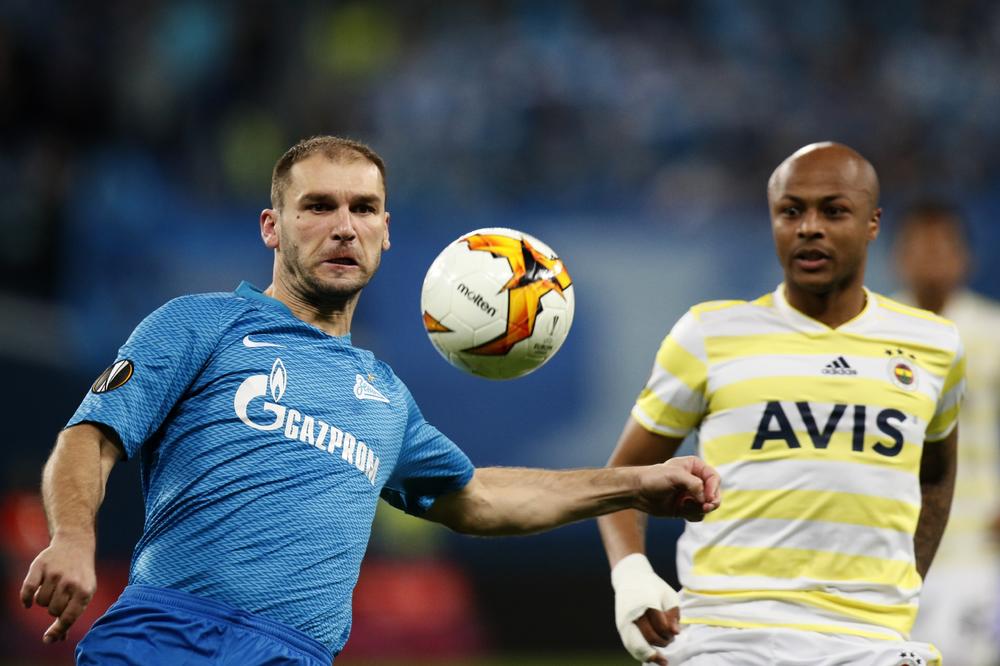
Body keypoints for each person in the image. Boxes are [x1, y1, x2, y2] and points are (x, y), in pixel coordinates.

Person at [19, 136, 722, 665]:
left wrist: (632, 485)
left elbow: (478, 497)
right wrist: (73, 538)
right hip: (168, 639)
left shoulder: (385, 399)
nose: (343, 226)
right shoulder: (200, 324)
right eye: (318, 207)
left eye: (363, 209)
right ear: (272, 227)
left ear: (386, 232)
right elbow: (90, 436)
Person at [598, 142, 965, 666]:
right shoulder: (709, 335)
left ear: (872, 223)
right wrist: (632, 575)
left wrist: (906, 578)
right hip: (725, 637)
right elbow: (623, 478)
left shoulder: (934, 345)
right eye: (791, 211)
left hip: (870, 642)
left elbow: (937, 473)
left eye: (833, 211)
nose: (809, 227)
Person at [892, 202, 1000, 666]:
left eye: (942, 248)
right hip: (892, 548)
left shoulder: (993, 333)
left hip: (978, 545)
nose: (931, 259)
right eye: (920, 248)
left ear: (964, 257)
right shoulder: (875, 334)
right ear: (899, 257)